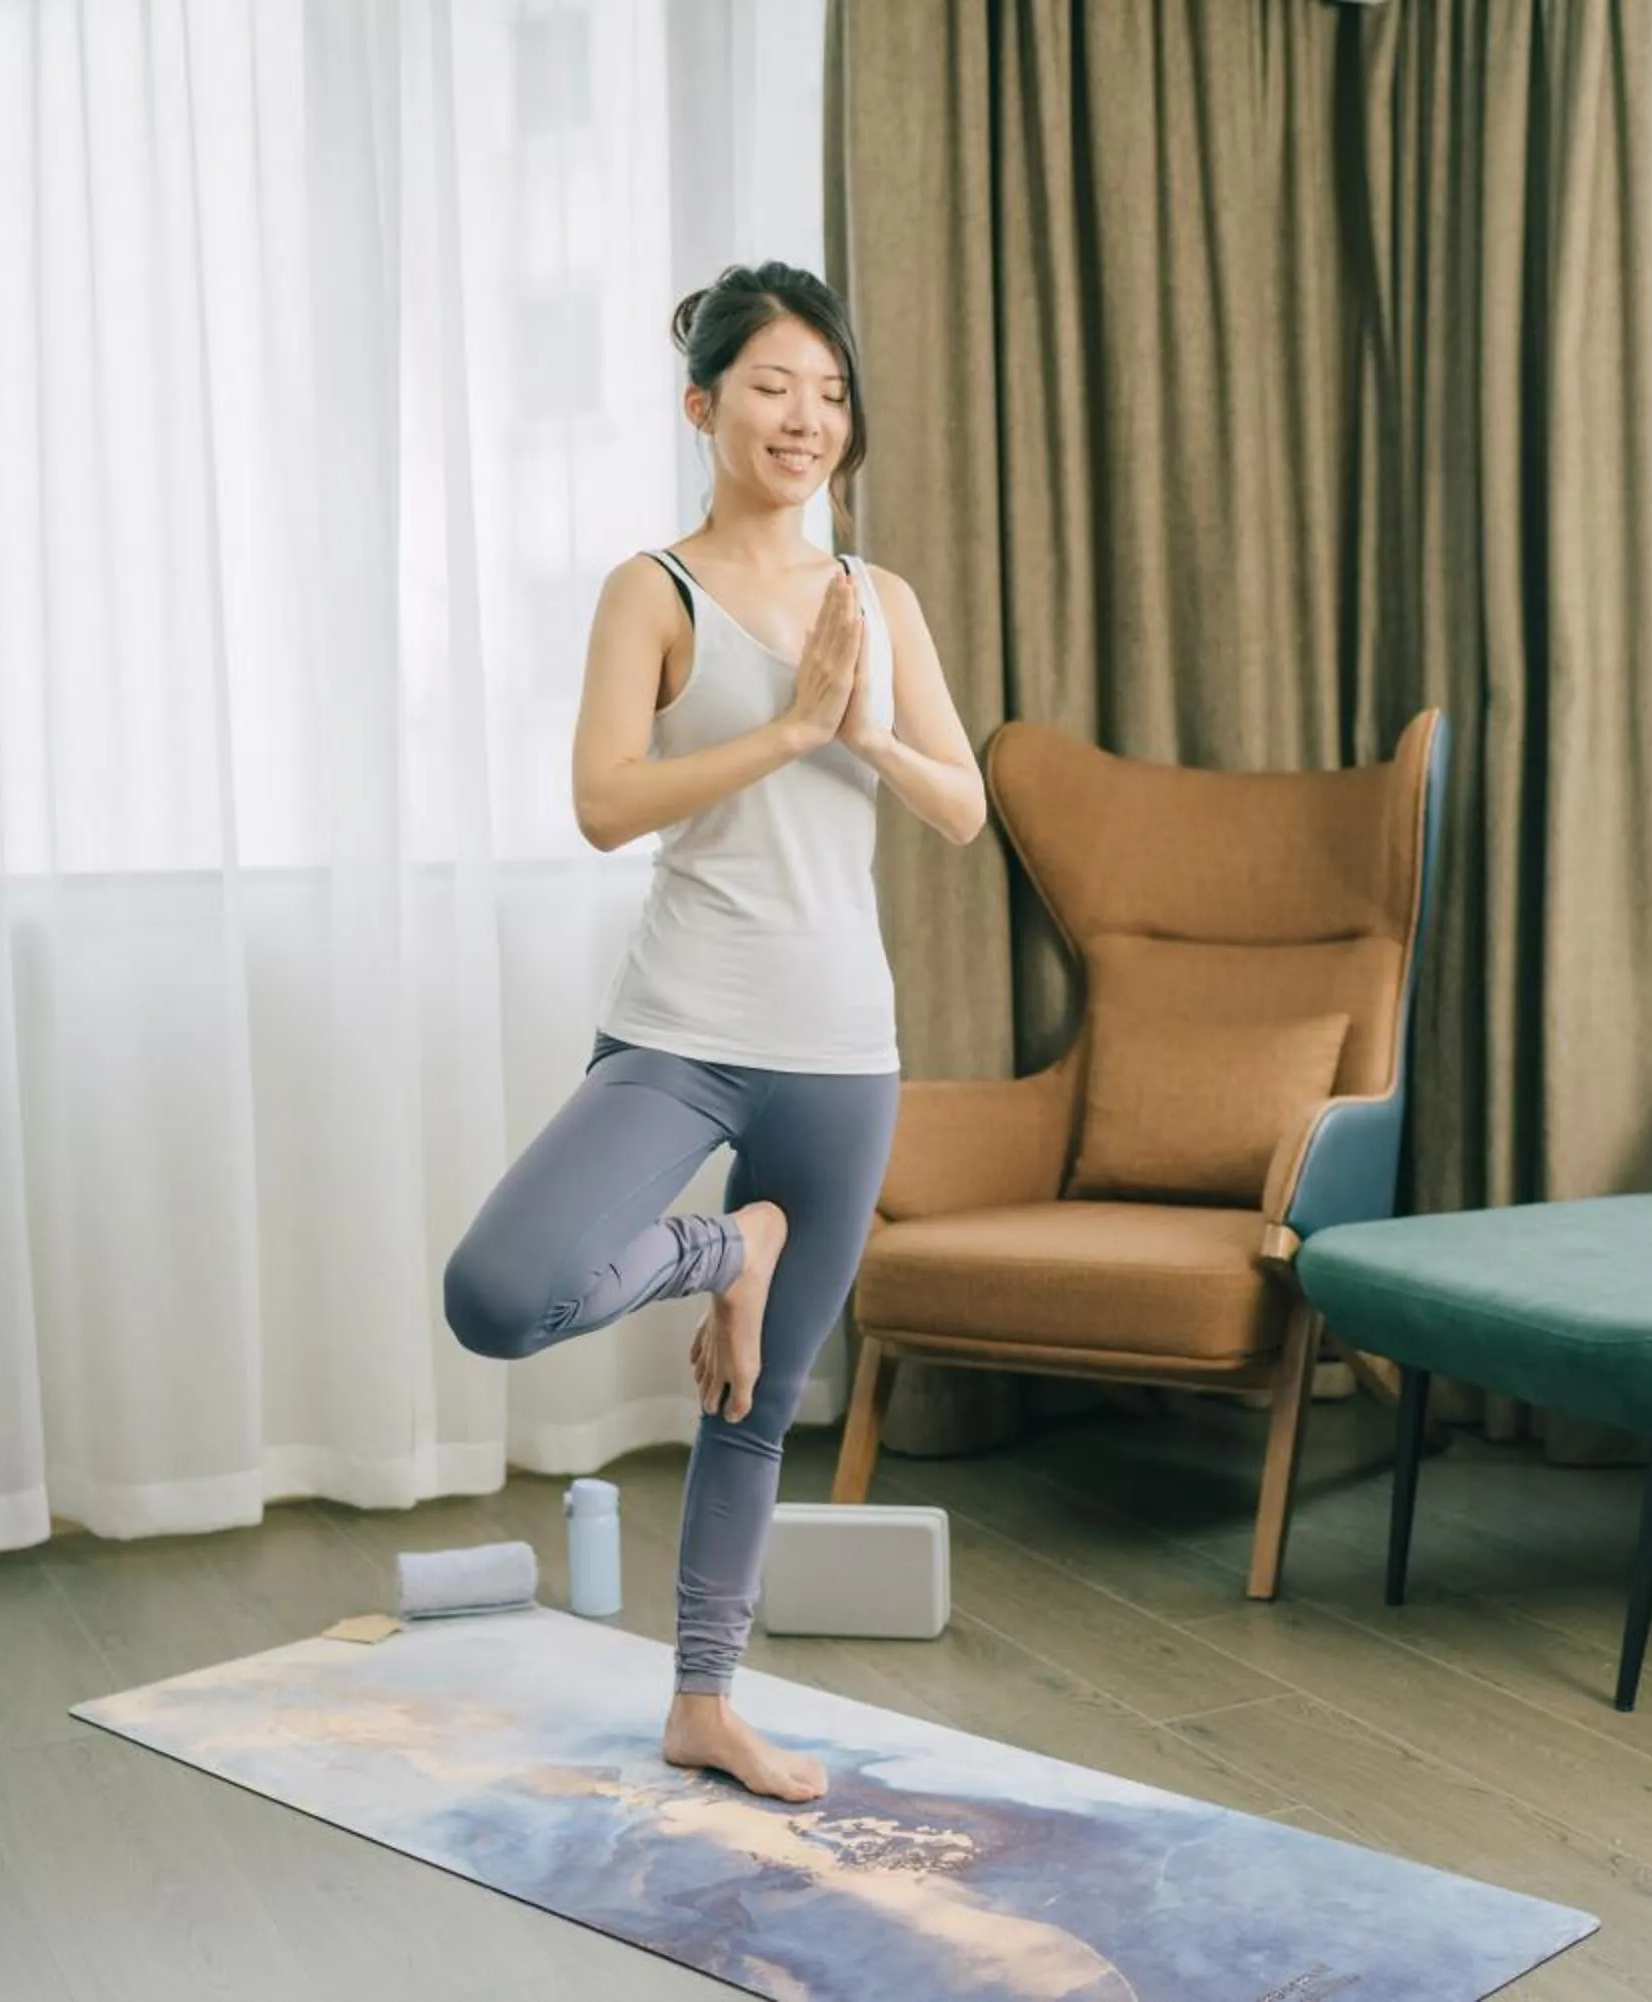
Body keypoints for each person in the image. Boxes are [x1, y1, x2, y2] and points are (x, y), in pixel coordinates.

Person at [441, 262, 984, 1803]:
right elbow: (605, 801)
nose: (806, 417)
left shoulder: (879, 604)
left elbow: (962, 806)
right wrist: (787, 731)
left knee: (754, 1407)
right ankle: (718, 1251)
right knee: (500, 1288)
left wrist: (860, 723)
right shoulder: (652, 589)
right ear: (703, 407)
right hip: (682, 1025)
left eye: (828, 391)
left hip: (843, 1045)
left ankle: (704, 1701)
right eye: (771, 386)